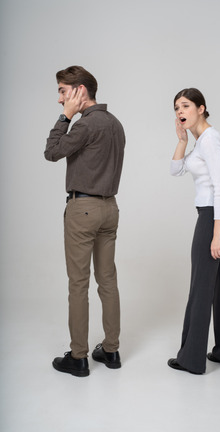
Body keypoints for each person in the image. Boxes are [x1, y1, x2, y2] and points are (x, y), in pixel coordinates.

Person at [44, 66, 125, 377]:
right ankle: (112, 350)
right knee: (108, 281)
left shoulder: (84, 125)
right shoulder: (115, 124)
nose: (60, 98)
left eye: (64, 91)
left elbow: (51, 152)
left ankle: (78, 357)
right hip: (111, 209)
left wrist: (66, 116)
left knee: (78, 284)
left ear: (79, 91)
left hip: (84, 210)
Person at [168, 88, 220, 375]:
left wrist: (216, 234)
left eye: (185, 106)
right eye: (176, 108)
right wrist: (181, 140)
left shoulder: (211, 140)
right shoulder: (200, 142)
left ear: (201, 108)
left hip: (215, 217)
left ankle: (191, 359)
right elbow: (176, 170)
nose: (179, 112)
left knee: (201, 288)